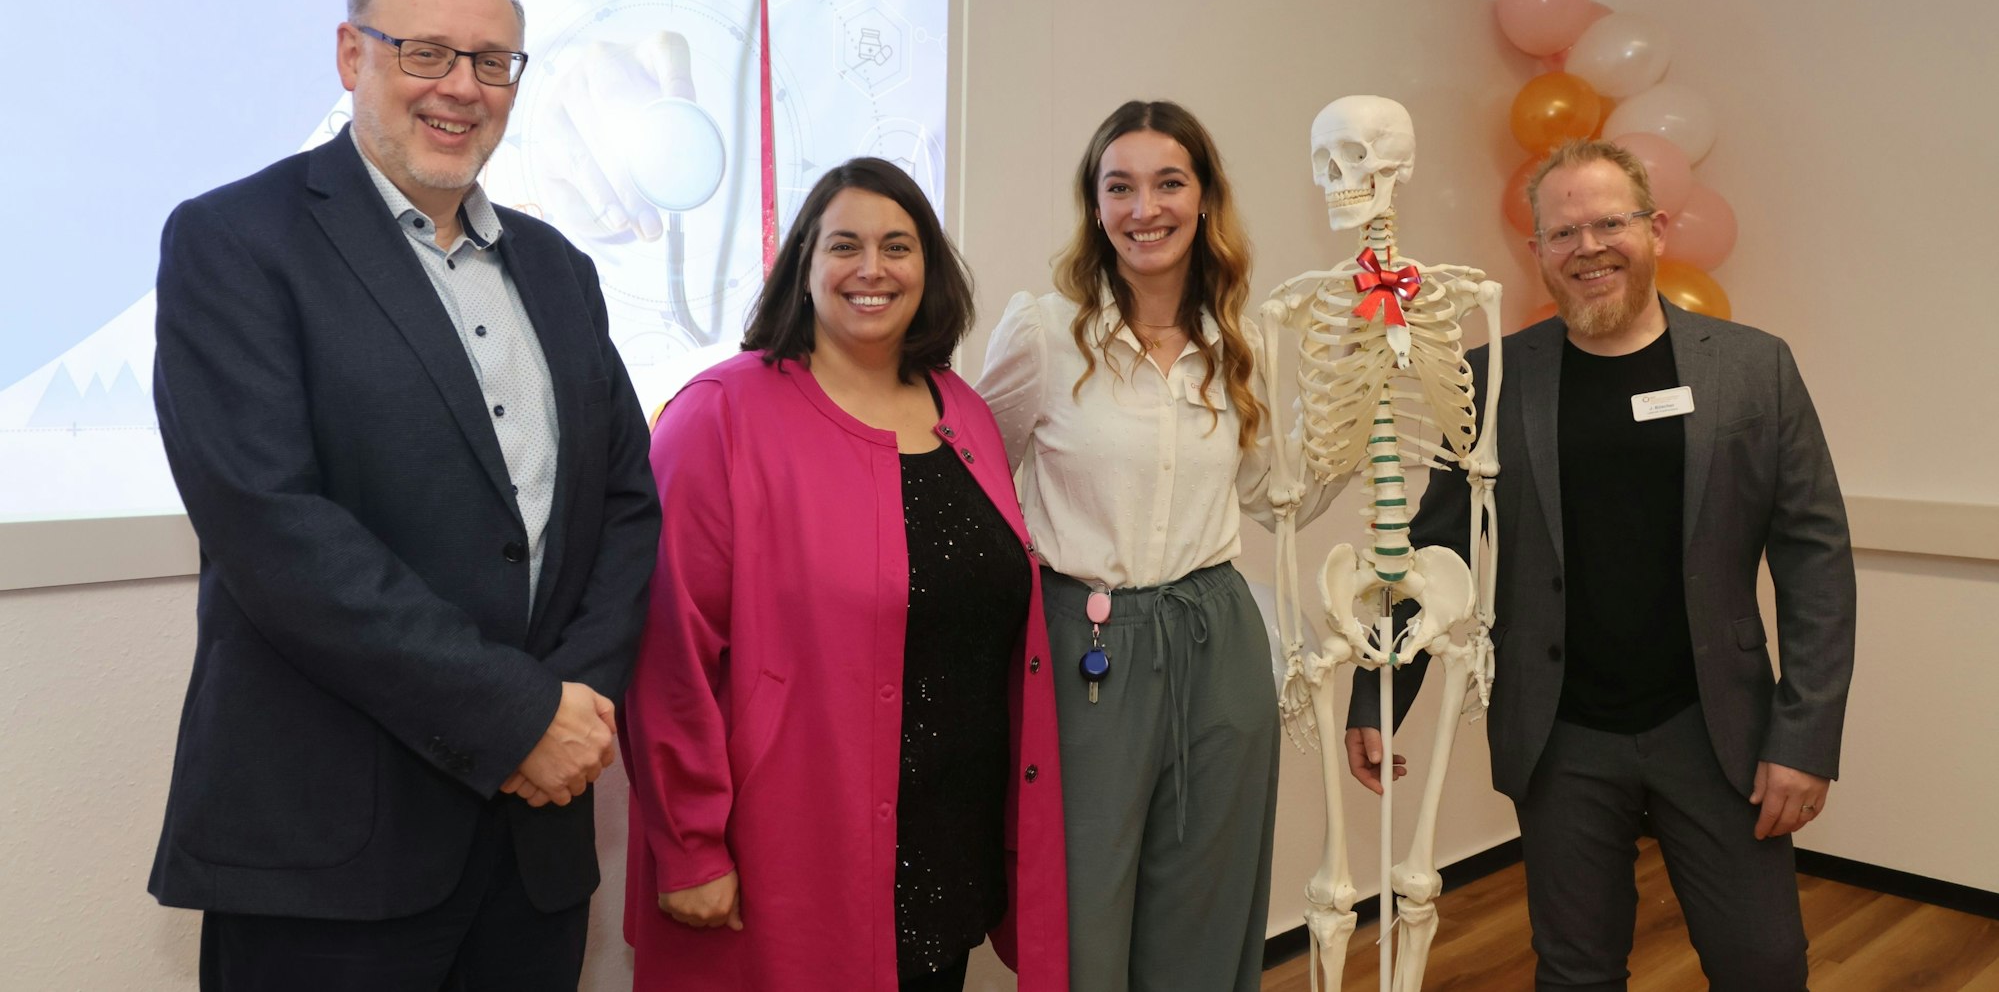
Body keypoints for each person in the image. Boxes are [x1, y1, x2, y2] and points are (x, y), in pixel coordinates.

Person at [147, 0, 661, 990]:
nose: (461, 86)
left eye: (492, 61)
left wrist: (576, 704)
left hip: (534, 845)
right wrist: (517, 717)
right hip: (329, 850)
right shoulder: (234, 240)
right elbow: (274, 530)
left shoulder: (561, 267)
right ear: (351, 55)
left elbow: (623, 506)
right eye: (426, 52)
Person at [1347, 139, 1855, 991]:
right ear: (1537, 250)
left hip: (1716, 728)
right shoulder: (1491, 383)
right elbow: (1433, 554)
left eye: (1609, 223)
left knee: (1762, 963)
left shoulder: (1751, 369)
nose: (1588, 247)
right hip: (1560, 734)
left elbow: (1815, 560)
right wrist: (1379, 692)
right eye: (1562, 232)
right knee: (1575, 971)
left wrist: (1803, 737)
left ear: (1655, 229)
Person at [619, 157, 1068, 991]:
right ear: (802, 264)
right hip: (790, 853)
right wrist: (689, 848)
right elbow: (665, 651)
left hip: (947, 840)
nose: (872, 269)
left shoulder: (960, 409)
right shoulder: (720, 416)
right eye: (844, 245)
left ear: (928, 269)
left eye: (897, 246)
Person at [978, 100, 1330, 992]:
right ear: (1093, 207)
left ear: (1204, 198)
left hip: (1217, 634)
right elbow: (977, 489)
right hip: (1084, 641)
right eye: (1120, 187)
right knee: (1084, 902)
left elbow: (1267, 495)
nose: (1146, 208)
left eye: (1169, 183)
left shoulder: (1236, 342)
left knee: (1209, 904)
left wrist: (1351, 427)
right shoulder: (1044, 334)